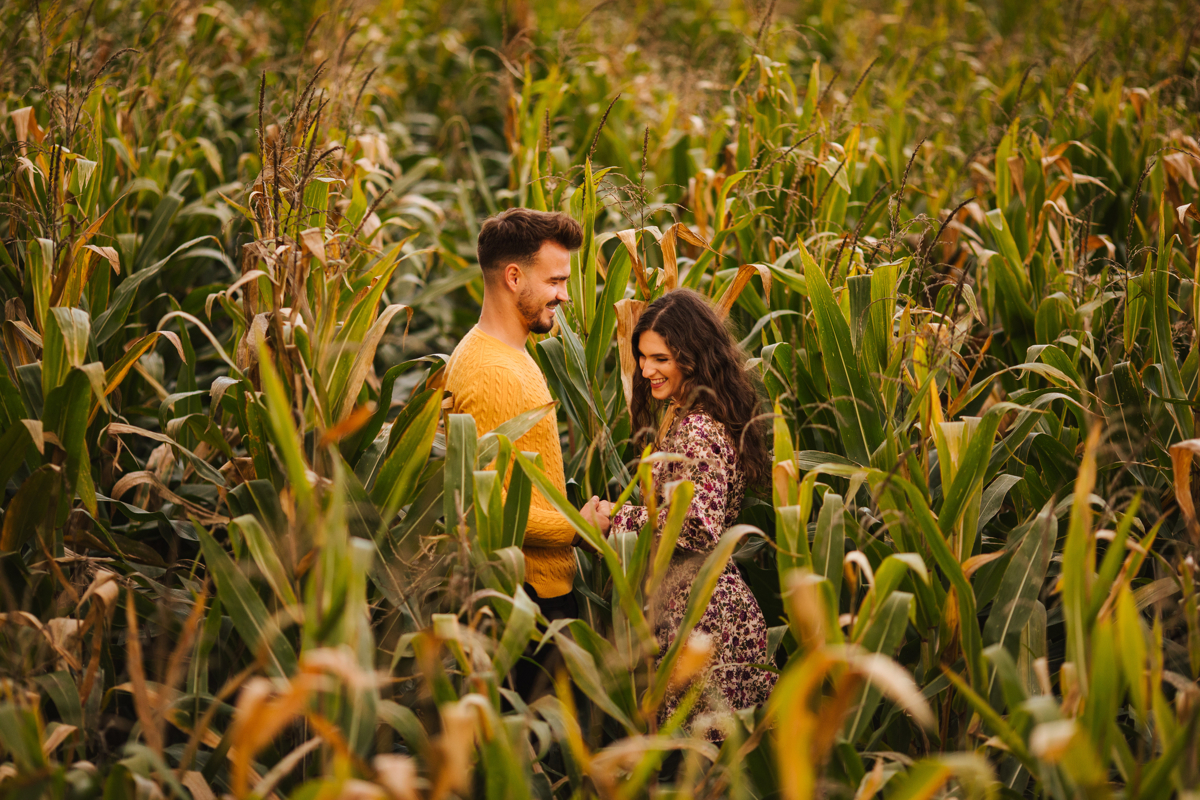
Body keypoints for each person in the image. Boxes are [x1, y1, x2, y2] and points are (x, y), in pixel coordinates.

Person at [443, 208, 609, 696]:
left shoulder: (498, 352)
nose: (564, 294)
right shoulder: (492, 371)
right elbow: (484, 508)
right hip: (526, 602)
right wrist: (579, 528)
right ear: (514, 277)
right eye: (556, 280)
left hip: (529, 594)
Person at [607, 288, 776, 739]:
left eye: (659, 359)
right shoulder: (694, 414)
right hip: (699, 607)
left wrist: (615, 522)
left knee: (702, 766)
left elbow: (698, 525)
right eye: (642, 358)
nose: (646, 371)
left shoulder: (699, 426)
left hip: (704, 617)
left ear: (693, 357)